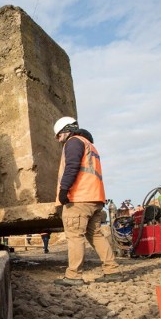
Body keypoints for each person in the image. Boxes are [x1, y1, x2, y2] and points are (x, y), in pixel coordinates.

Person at [52, 116, 122, 286]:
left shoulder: (73, 142)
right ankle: (112, 270)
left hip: (78, 198)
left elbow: (72, 166)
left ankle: (74, 276)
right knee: (96, 235)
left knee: (74, 236)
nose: (59, 140)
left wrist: (63, 190)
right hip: (95, 197)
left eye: (59, 136)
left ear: (66, 130)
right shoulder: (90, 145)